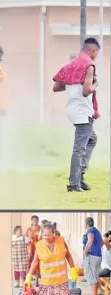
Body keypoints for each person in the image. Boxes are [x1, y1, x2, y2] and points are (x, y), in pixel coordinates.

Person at [52, 38, 100, 192]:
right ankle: (74, 183)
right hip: (82, 111)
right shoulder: (88, 66)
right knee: (79, 148)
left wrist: (73, 88)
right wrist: (95, 83)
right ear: (92, 50)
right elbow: (87, 91)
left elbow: (56, 87)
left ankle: (80, 177)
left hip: (72, 109)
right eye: (96, 52)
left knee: (92, 139)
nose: (96, 56)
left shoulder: (70, 65)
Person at [27, 223, 77, 295]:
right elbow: (35, 261)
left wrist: (73, 268)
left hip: (61, 279)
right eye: (44, 235)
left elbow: (68, 255)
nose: (46, 237)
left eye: (49, 235)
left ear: (54, 234)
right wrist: (29, 275)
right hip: (47, 281)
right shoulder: (39, 245)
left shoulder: (60, 241)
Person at [82, 216, 103, 295]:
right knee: (96, 275)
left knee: (91, 275)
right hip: (98, 256)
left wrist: (85, 251)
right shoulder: (96, 230)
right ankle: (98, 291)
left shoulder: (90, 230)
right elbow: (102, 242)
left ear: (86, 224)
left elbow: (90, 239)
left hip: (92, 256)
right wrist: (97, 249)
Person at [25, 215, 42, 287]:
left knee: (37, 263)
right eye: (33, 219)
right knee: (30, 263)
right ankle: (29, 279)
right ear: (31, 220)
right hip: (30, 248)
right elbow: (25, 238)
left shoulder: (41, 228)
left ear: (38, 220)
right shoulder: (28, 229)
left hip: (38, 247)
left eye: (36, 219)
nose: (34, 221)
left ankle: (37, 280)